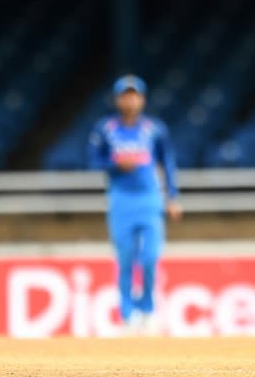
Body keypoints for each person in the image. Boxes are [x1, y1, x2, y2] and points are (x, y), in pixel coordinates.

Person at [87, 74, 182, 335]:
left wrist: (172, 197)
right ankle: (128, 316)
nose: (130, 100)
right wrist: (115, 164)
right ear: (118, 99)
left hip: (149, 199)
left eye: (135, 95)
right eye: (125, 95)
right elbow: (93, 161)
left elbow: (168, 163)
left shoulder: (155, 129)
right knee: (126, 259)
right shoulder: (105, 129)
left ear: (142, 99)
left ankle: (148, 310)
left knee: (150, 257)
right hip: (121, 200)